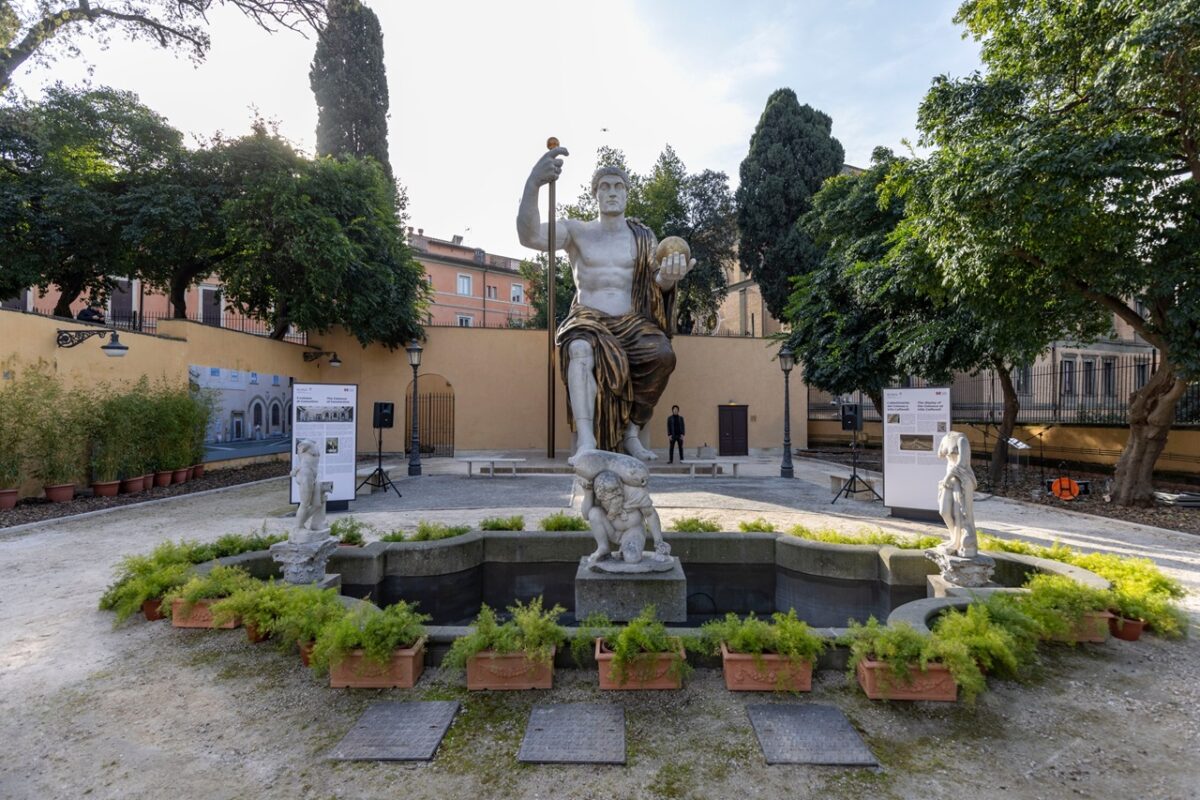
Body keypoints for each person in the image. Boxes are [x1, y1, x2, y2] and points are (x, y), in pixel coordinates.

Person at [517, 147, 695, 462]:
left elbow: (656, 285)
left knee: (664, 356)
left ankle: (631, 434)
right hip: (587, 320)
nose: (611, 192)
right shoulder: (577, 231)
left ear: (627, 194)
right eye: (604, 187)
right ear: (595, 195)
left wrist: (671, 277)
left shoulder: (643, 236)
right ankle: (586, 439)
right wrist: (534, 183)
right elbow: (529, 236)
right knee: (579, 350)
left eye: (618, 187)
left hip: (632, 323)